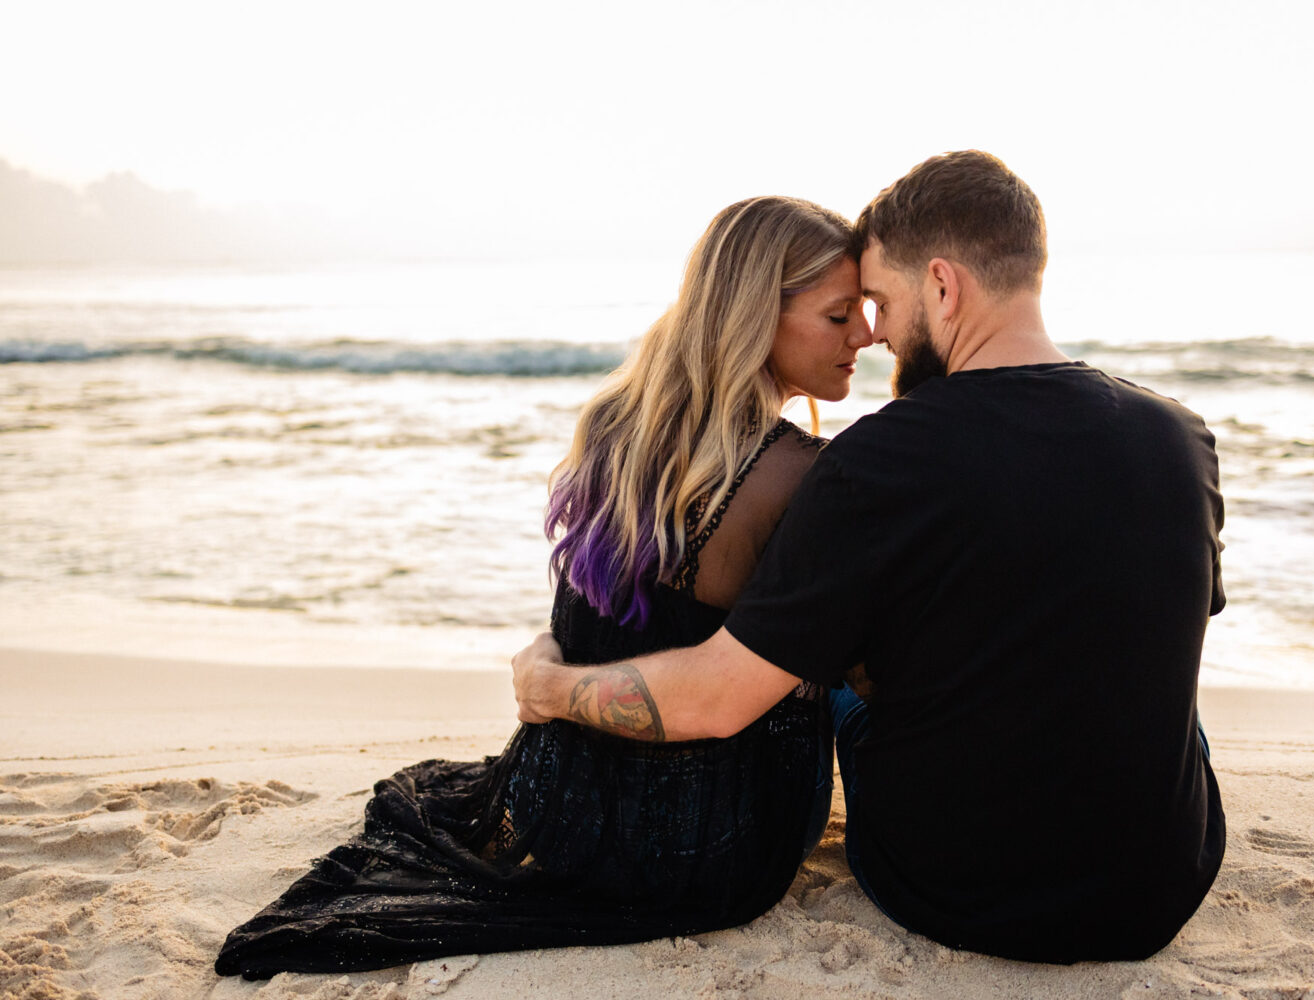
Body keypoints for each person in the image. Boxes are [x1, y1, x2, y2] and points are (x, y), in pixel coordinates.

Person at [512, 151, 1227, 964]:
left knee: (846, 672)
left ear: (945, 287)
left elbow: (720, 697)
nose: (875, 332)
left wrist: (552, 686)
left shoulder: (872, 461)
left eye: (881, 302)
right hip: (1162, 886)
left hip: (951, 889)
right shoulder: (1182, 435)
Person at [216, 196, 874, 980]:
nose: (865, 335)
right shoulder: (797, 475)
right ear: (755, 314)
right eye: (840, 316)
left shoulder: (611, 424)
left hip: (553, 803)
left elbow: (590, 619)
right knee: (843, 679)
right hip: (714, 844)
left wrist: (549, 679)